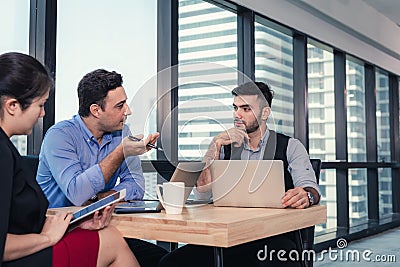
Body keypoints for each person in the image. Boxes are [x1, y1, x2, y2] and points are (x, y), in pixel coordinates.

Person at [159, 81, 321, 267]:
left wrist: (306, 195)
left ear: (265, 113)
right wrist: (214, 145)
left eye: (246, 109)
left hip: (273, 237)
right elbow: (202, 193)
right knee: (171, 262)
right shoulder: (224, 148)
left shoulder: (290, 146)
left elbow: (311, 188)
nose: (237, 114)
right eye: (235, 108)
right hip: (229, 236)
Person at [0, 52, 138, 267]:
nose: (43, 114)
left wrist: (74, 224)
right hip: (22, 254)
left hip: (38, 238)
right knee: (112, 241)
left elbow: (19, 222)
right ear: (12, 106)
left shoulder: (6, 149)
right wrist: (47, 238)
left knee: (115, 238)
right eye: (40, 105)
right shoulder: (53, 137)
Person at [36, 69, 167, 266]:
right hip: (57, 231)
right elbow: (77, 193)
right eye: (120, 106)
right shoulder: (60, 136)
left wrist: (100, 198)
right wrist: (120, 152)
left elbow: (137, 186)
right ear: (96, 110)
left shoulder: (121, 133)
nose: (128, 111)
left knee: (161, 259)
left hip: (99, 225)